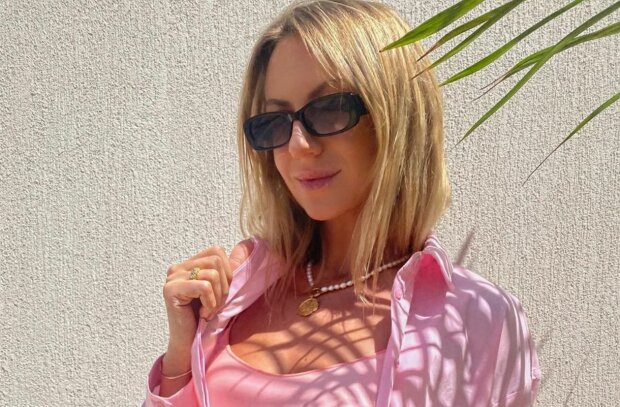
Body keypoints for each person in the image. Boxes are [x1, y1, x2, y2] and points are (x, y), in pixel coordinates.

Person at [142, 0, 541, 405]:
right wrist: (180, 361)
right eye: (275, 122)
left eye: (329, 109)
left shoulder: (477, 319)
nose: (298, 146)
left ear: (394, 115)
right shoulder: (233, 296)